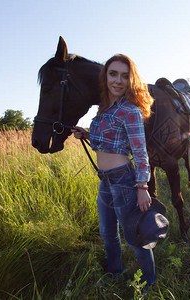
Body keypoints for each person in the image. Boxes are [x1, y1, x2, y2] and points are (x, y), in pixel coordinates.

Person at [72, 54, 156, 286]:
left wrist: (142, 186)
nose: (118, 81)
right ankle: (114, 273)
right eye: (113, 74)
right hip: (105, 181)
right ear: (105, 76)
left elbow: (140, 152)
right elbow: (109, 144)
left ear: (131, 80)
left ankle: (149, 282)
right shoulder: (103, 111)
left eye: (124, 76)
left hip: (124, 181)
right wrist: (87, 135)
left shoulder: (131, 111)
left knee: (135, 238)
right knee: (107, 233)